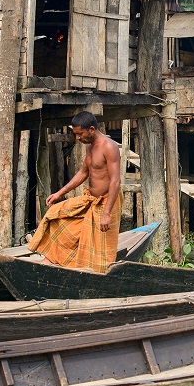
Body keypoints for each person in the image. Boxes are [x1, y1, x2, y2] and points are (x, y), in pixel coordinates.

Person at [28, 111, 122, 272]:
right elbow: (83, 172)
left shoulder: (109, 147)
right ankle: (52, 258)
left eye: (80, 133)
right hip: (90, 199)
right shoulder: (89, 146)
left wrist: (107, 213)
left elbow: (115, 181)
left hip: (108, 202)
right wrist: (59, 193)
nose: (77, 138)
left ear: (91, 129)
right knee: (57, 214)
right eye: (75, 134)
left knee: (100, 245)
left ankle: (97, 275)